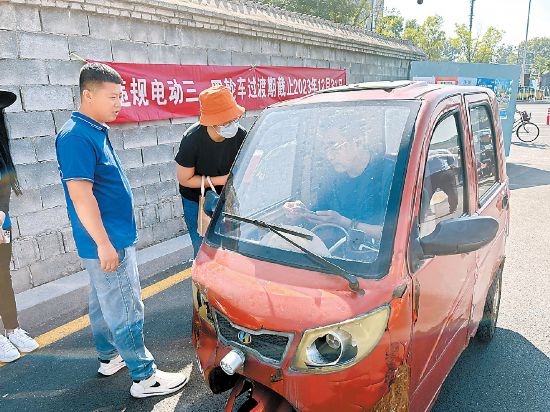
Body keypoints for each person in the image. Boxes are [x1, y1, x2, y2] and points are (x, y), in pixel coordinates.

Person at [55, 63, 189, 398]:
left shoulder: (93, 129)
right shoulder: (76, 136)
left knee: (103, 303)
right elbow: (81, 194)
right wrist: (104, 243)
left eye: (121, 96)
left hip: (110, 238)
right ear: (88, 95)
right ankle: (144, 378)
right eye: (112, 96)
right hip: (107, 240)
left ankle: (109, 357)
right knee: (127, 306)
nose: (119, 103)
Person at [285, 124, 395, 242]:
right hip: (336, 252)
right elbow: (322, 214)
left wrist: (344, 222)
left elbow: (394, 234)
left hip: (375, 255)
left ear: (358, 141)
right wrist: (302, 212)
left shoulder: (390, 174)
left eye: (334, 147)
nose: (329, 157)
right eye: (325, 149)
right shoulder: (331, 176)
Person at [175, 85, 246, 257]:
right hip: (197, 199)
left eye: (233, 118)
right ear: (211, 121)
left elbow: (244, 167)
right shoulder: (192, 139)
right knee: (204, 248)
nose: (232, 124)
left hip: (227, 197)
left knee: (231, 245)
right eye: (225, 121)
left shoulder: (240, 134)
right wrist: (220, 180)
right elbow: (185, 179)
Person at [0, 90, 40, 363]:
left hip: (1, 223)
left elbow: (5, 182)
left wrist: (1, 214)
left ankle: (12, 329)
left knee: (3, 277)